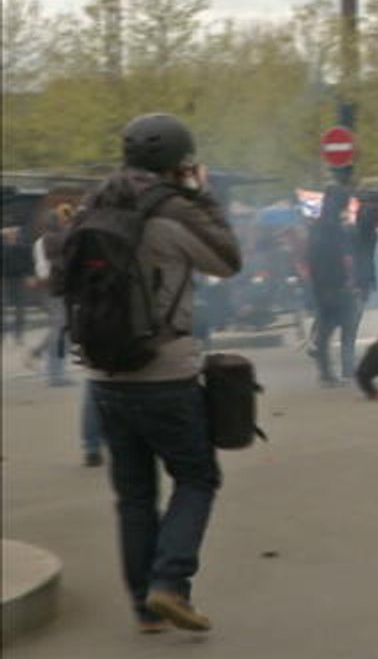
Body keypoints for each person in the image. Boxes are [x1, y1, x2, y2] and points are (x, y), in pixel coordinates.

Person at [75, 113, 241, 633]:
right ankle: (169, 582)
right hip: (165, 372)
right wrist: (203, 195)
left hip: (103, 374)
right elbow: (227, 260)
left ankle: (144, 609)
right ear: (181, 162)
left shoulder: (92, 207)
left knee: (134, 495)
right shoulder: (173, 213)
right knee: (196, 477)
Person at [307, 184, 358, 386]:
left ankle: (330, 370)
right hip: (330, 284)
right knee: (336, 324)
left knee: (334, 325)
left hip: (328, 283)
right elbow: (322, 258)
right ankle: (328, 372)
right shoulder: (328, 226)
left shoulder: (325, 224)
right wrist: (333, 283)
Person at [27, 204, 76, 386]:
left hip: (54, 288)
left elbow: (42, 269)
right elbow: (43, 270)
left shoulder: (46, 241)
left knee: (64, 330)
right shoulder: (51, 241)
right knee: (61, 329)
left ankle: (56, 371)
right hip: (53, 289)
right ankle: (54, 374)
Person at [2, 225, 34, 346]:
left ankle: (18, 336)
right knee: (3, 308)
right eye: (9, 231)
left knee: (20, 308)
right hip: (4, 279)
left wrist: (30, 275)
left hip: (19, 279)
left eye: (14, 231)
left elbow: (29, 261)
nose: (11, 233)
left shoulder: (24, 246)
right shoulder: (3, 246)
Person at [352, 202, 378, 336]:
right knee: (355, 315)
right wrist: (372, 279)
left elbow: (369, 257)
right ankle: (348, 349)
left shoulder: (351, 231)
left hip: (354, 276)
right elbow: (369, 257)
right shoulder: (372, 235)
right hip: (360, 277)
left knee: (353, 314)